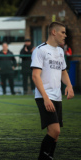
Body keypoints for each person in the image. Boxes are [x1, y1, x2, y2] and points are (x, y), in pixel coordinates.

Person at [31, 21, 74, 160]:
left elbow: (63, 72)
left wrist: (69, 85)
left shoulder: (61, 51)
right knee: (55, 130)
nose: (65, 35)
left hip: (57, 96)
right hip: (45, 96)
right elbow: (35, 76)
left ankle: (49, 156)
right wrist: (45, 98)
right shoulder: (40, 50)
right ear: (53, 32)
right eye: (63, 32)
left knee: (55, 134)